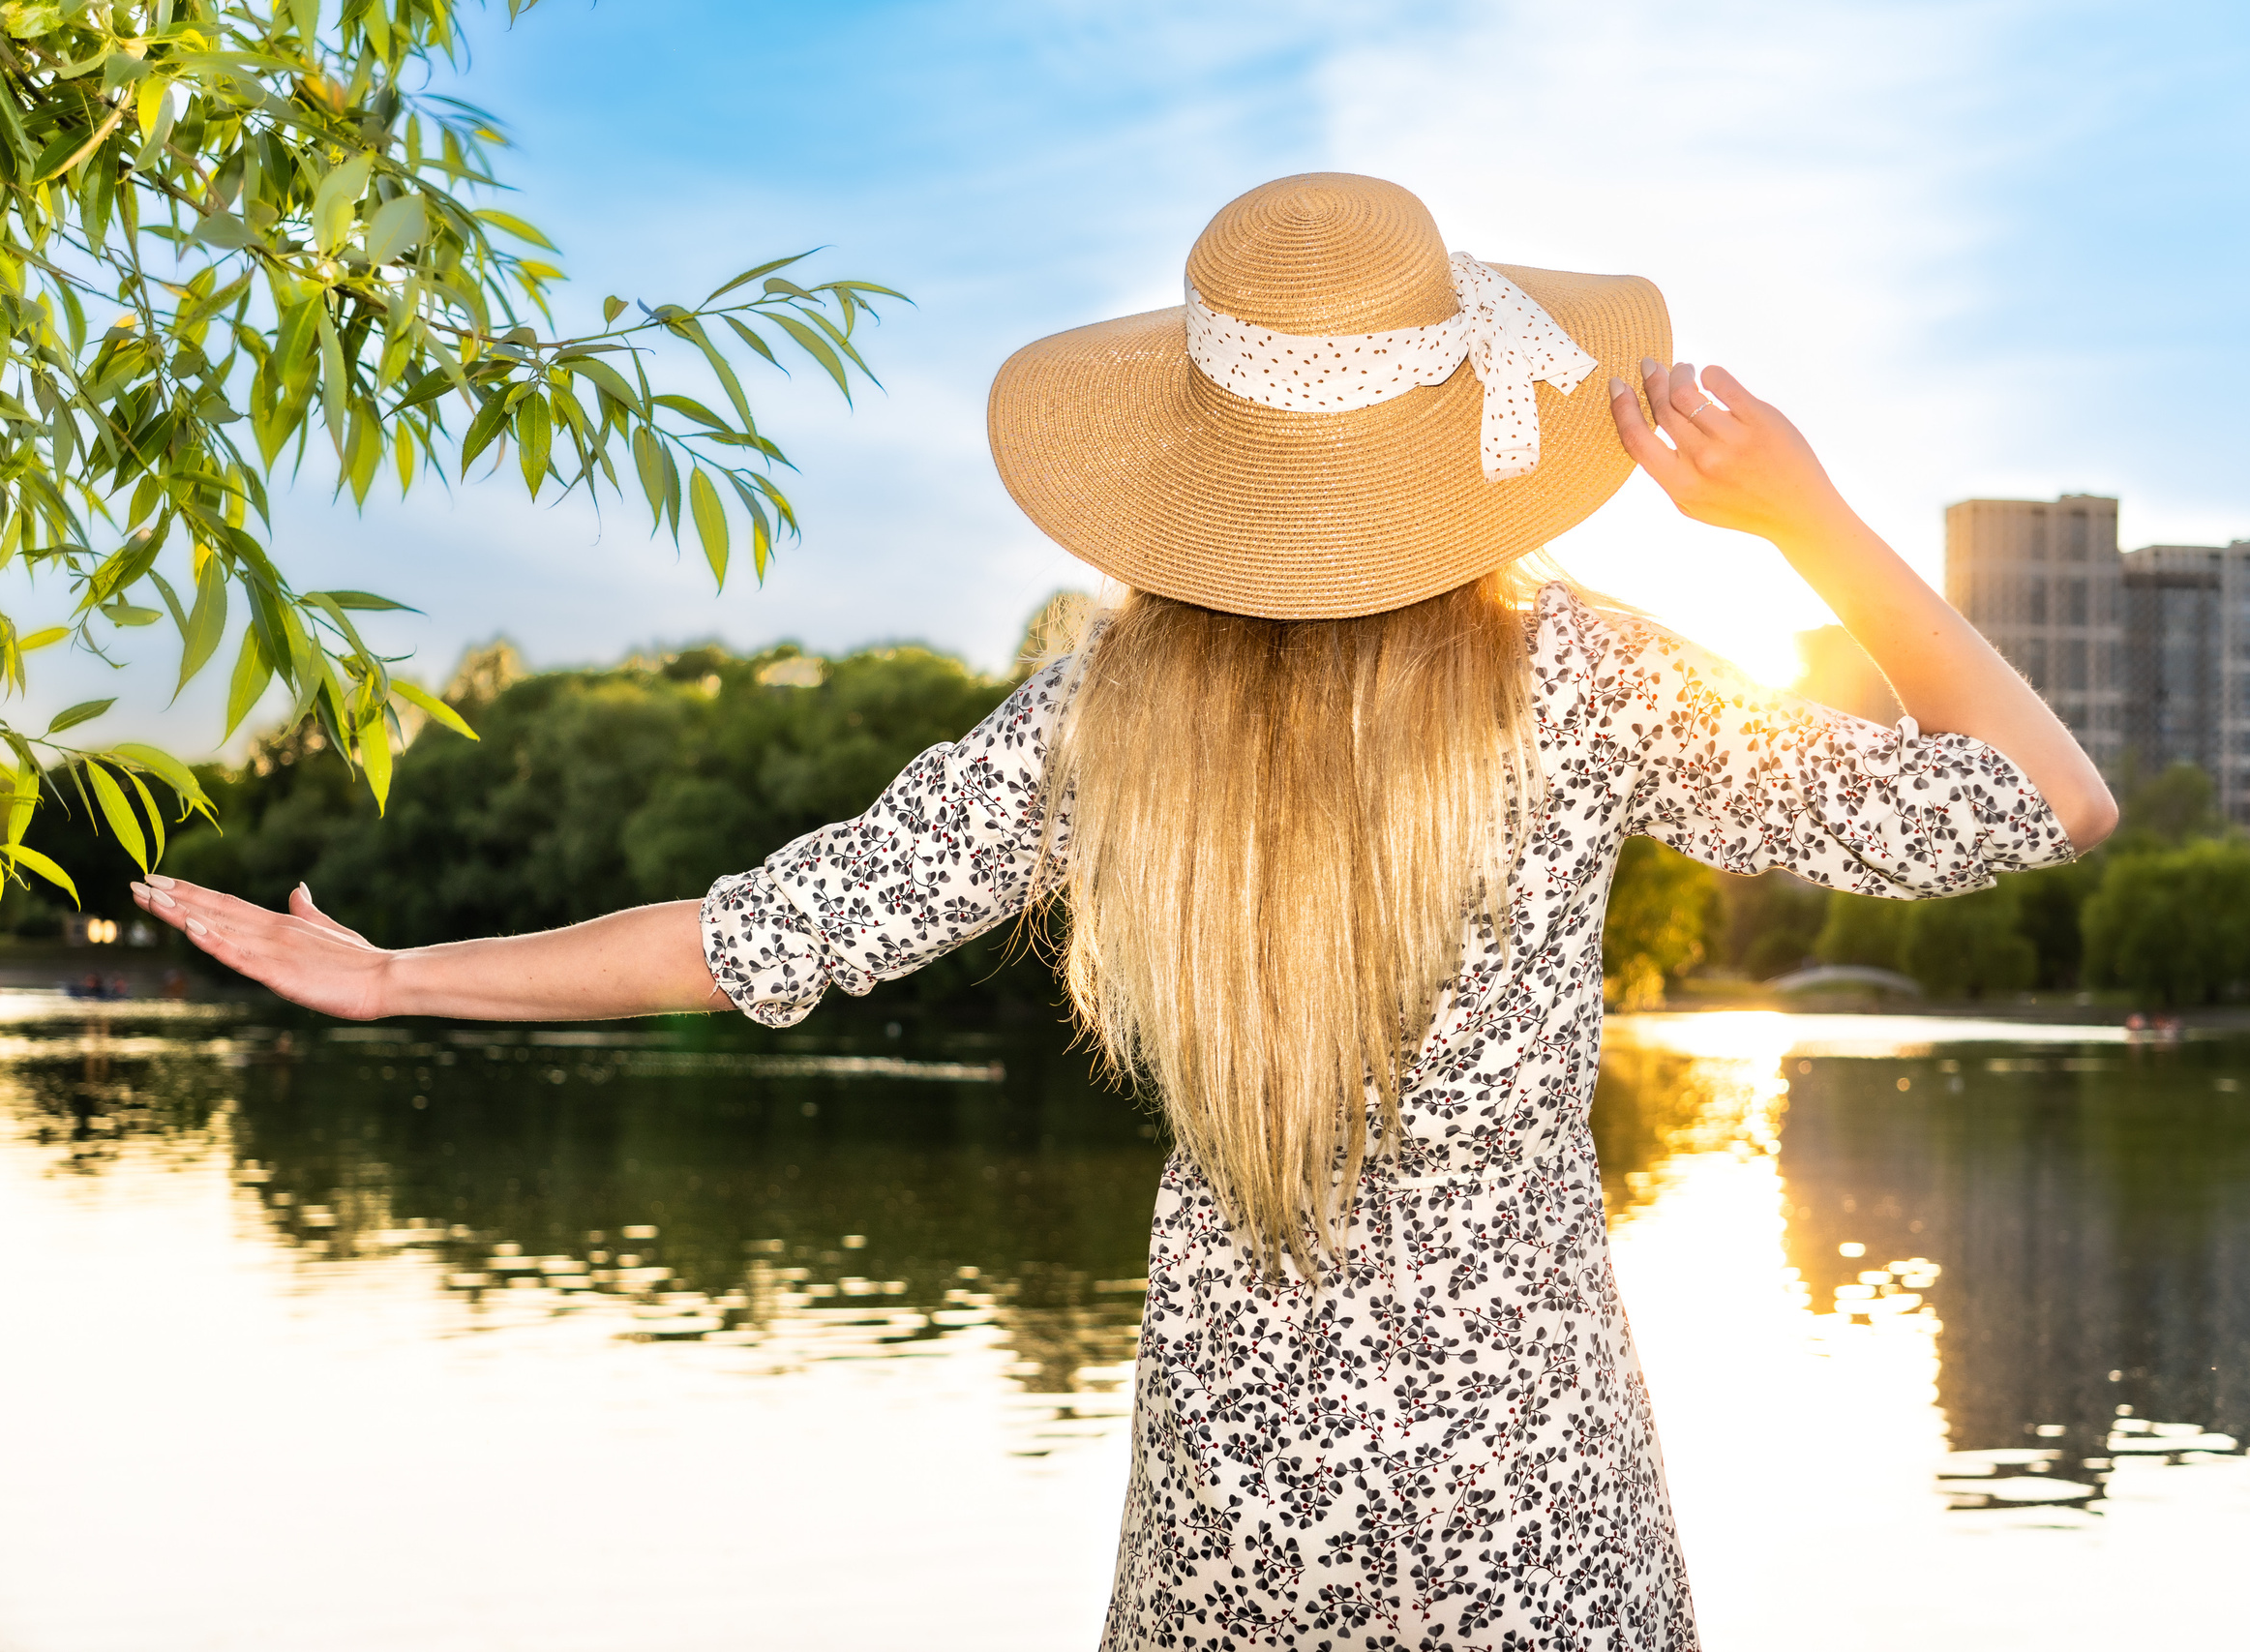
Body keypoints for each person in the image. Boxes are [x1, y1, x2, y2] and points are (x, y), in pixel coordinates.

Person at [130, 174, 2114, 1650]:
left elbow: (753, 934)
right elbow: (2044, 795)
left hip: (1230, 1487)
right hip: (1529, 1486)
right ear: (1446, 444)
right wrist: (1801, 515)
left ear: (1203, 458)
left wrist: (392, 977)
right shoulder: (1580, 675)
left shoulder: (1111, 711)